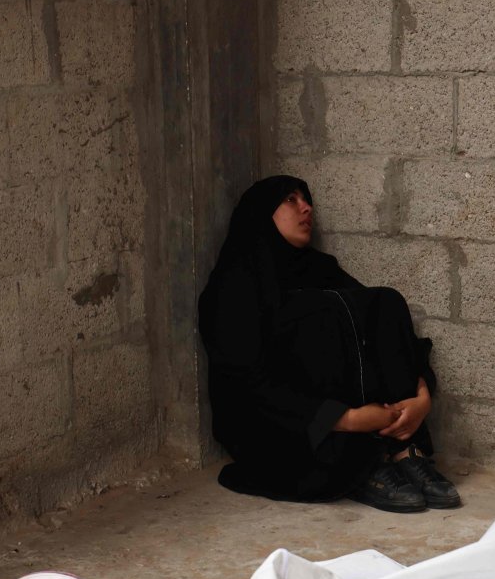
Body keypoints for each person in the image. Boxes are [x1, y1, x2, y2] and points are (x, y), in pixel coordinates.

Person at [197, 175, 460, 513]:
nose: (306, 207)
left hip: (359, 418)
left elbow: (380, 326)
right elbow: (247, 381)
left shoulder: (320, 269)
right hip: (282, 431)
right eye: (290, 199)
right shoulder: (233, 285)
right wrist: (345, 419)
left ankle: (403, 449)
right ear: (261, 212)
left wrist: (421, 397)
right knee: (316, 314)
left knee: (383, 301)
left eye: (306, 200)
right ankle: (360, 463)